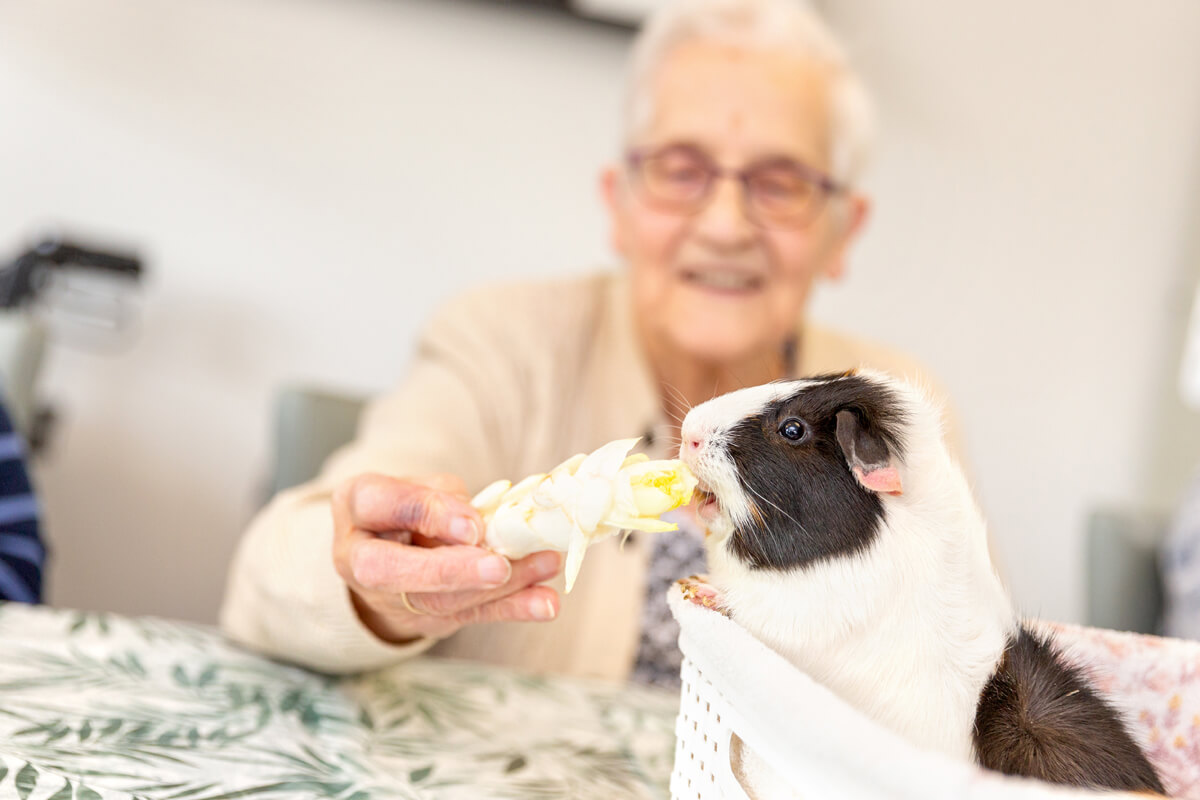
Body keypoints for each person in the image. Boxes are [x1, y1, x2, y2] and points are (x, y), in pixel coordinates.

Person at [220, 0, 963, 682]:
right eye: (682, 170)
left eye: (782, 183)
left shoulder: (892, 410)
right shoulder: (502, 344)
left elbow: (964, 668)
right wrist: (377, 587)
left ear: (843, 231)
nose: (727, 225)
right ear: (621, 205)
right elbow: (274, 576)